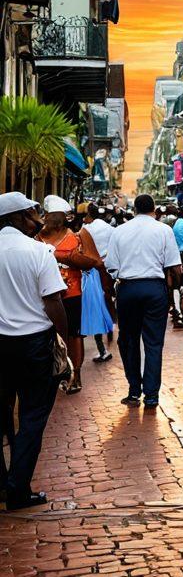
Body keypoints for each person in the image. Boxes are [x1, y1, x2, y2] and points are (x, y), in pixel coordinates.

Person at [0, 192, 68, 509]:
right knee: (33, 416)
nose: (37, 218)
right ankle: (17, 489)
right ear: (17, 217)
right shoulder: (39, 251)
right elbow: (53, 301)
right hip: (34, 344)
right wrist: (63, 337)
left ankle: (4, 483)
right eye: (31, 212)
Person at [105, 193, 182, 408]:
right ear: (154, 209)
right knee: (154, 343)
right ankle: (151, 395)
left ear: (135, 209)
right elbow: (174, 266)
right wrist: (175, 291)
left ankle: (133, 390)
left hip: (128, 288)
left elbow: (111, 266)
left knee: (128, 341)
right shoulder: (164, 230)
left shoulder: (119, 231)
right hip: (154, 288)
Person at [37, 195, 103, 394]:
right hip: (43, 296)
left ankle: (75, 375)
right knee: (45, 335)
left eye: (53, 216)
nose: (47, 219)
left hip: (71, 294)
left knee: (74, 336)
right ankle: (52, 375)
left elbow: (96, 261)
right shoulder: (36, 237)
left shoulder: (78, 235)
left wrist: (65, 257)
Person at [80, 201, 116, 363]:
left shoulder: (85, 230)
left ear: (88, 215)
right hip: (107, 269)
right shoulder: (110, 228)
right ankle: (110, 327)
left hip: (92, 271)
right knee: (106, 299)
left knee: (94, 306)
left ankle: (102, 348)